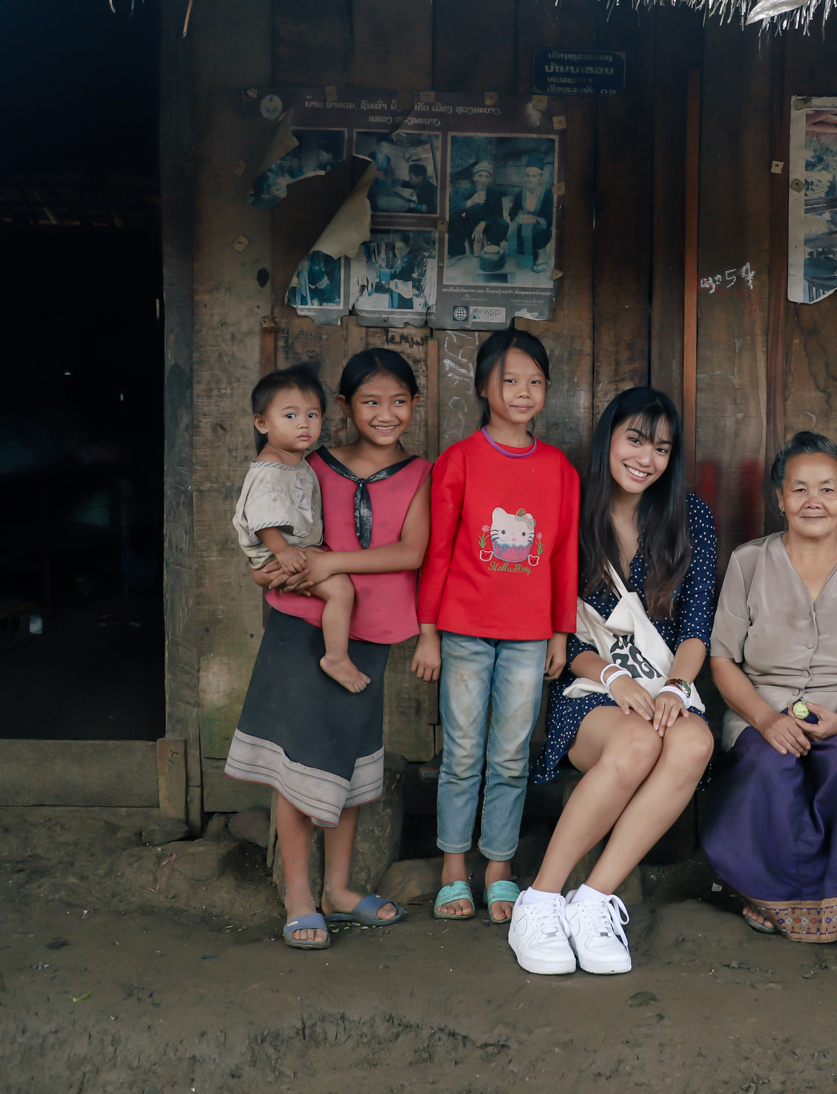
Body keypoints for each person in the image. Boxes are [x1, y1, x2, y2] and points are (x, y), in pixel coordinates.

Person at [224, 348, 432, 949]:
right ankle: (298, 895)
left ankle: (339, 890)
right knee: (299, 762)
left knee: (349, 758)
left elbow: (411, 553)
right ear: (345, 407)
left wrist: (330, 562)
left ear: (413, 405)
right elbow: (268, 529)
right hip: (299, 627)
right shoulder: (311, 462)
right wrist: (265, 570)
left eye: (398, 401)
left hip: (368, 633)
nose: (385, 413)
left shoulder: (421, 473)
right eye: (370, 401)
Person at [508, 387, 716, 976]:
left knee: (694, 741)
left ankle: (593, 900)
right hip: (589, 689)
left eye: (661, 448)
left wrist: (675, 688)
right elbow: (556, 628)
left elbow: (697, 627)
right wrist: (613, 676)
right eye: (635, 440)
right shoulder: (568, 511)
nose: (646, 458)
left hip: (663, 682)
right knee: (637, 742)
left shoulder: (688, 517)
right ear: (609, 440)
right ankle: (541, 899)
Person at [703, 432, 837, 942]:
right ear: (779, 499)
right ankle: (771, 892)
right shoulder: (749, 561)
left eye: (827, 489)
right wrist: (765, 719)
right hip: (765, 706)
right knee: (766, 766)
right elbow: (721, 658)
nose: (813, 501)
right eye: (799, 489)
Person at [414, 328, 580, 925]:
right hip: (462, 630)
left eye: (535, 381)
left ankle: (499, 868)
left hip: (529, 636)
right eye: (510, 380)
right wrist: (428, 629)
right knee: (462, 753)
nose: (523, 392)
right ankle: (453, 868)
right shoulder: (458, 461)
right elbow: (437, 552)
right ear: (484, 386)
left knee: (510, 755)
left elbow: (563, 556)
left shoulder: (559, 469)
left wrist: (560, 632)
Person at [232, 368, 365, 692]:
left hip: (288, 552)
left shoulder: (293, 459)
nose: (303, 423)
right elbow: (261, 517)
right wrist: (281, 552)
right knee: (341, 590)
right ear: (262, 423)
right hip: (278, 552)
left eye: (312, 414)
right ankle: (336, 657)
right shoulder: (271, 470)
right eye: (290, 415)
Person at [507, 160, 554, 262]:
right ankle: (520, 250)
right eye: (527, 176)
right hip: (522, 231)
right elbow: (511, 214)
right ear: (524, 177)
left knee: (533, 228)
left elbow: (550, 220)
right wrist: (519, 216)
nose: (530, 179)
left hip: (539, 233)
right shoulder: (520, 193)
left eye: (534, 176)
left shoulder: (548, 195)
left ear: (540, 178)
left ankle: (541, 253)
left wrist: (534, 219)